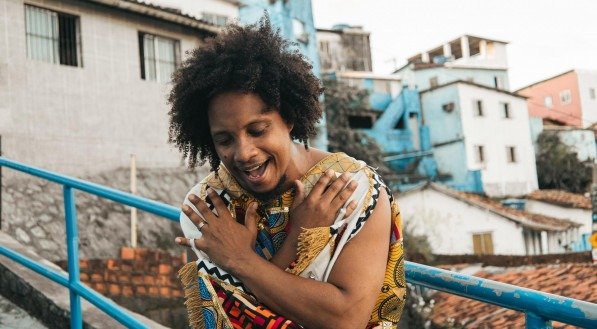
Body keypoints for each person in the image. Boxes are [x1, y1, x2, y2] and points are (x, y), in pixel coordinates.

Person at [168, 16, 406, 329]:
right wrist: (297, 238)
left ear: (289, 118)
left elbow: (346, 318)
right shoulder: (208, 207)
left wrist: (240, 260)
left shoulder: (353, 188)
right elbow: (239, 318)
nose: (243, 152)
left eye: (257, 130)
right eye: (224, 139)